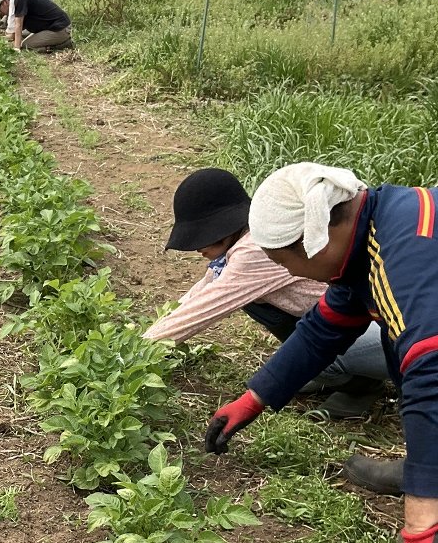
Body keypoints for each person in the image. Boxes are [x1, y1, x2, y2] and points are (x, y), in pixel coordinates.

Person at [202, 163, 438, 543]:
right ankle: (423, 465)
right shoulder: (374, 229)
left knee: (419, 363)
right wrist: (253, 399)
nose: (299, 276)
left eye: (284, 262)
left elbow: (432, 375)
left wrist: (423, 515)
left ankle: (425, 476)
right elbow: (324, 328)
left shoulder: (403, 260)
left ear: (314, 241)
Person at [146, 168, 389, 419]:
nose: (196, 248)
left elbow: (202, 310)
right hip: (346, 314)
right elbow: (203, 291)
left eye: (200, 237)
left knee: (324, 344)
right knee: (304, 328)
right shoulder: (244, 245)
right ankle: (327, 373)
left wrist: (141, 350)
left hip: (379, 325)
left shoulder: (254, 251)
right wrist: (146, 333)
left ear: (221, 228)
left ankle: (360, 384)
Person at [0, 0, 71, 51]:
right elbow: (13, 34)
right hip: (48, 27)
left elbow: (18, 25)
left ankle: (62, 45)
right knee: (22, 35)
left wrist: (16, 48)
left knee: (26, 45)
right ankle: (58, 40)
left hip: (59, 29)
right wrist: (0, 39)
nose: (0, 12)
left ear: (5, 2)